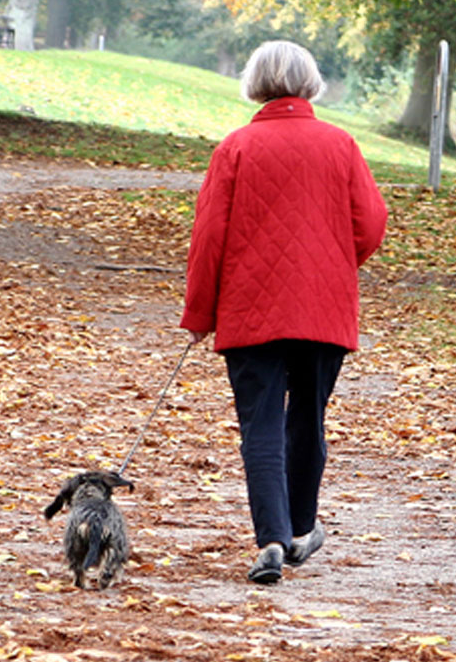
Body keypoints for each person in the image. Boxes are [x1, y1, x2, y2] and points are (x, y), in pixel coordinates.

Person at [180, 40, 388, 584]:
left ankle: (271, 540)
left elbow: (210, 238)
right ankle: (300, 530)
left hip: (251, 312)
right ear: (310, 82)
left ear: (255, 82)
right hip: (324, 309)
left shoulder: (236, 148)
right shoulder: (341, 145)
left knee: (261, 424)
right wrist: (335, 265)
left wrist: (201, 313)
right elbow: (370, 224)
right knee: (307, 419)